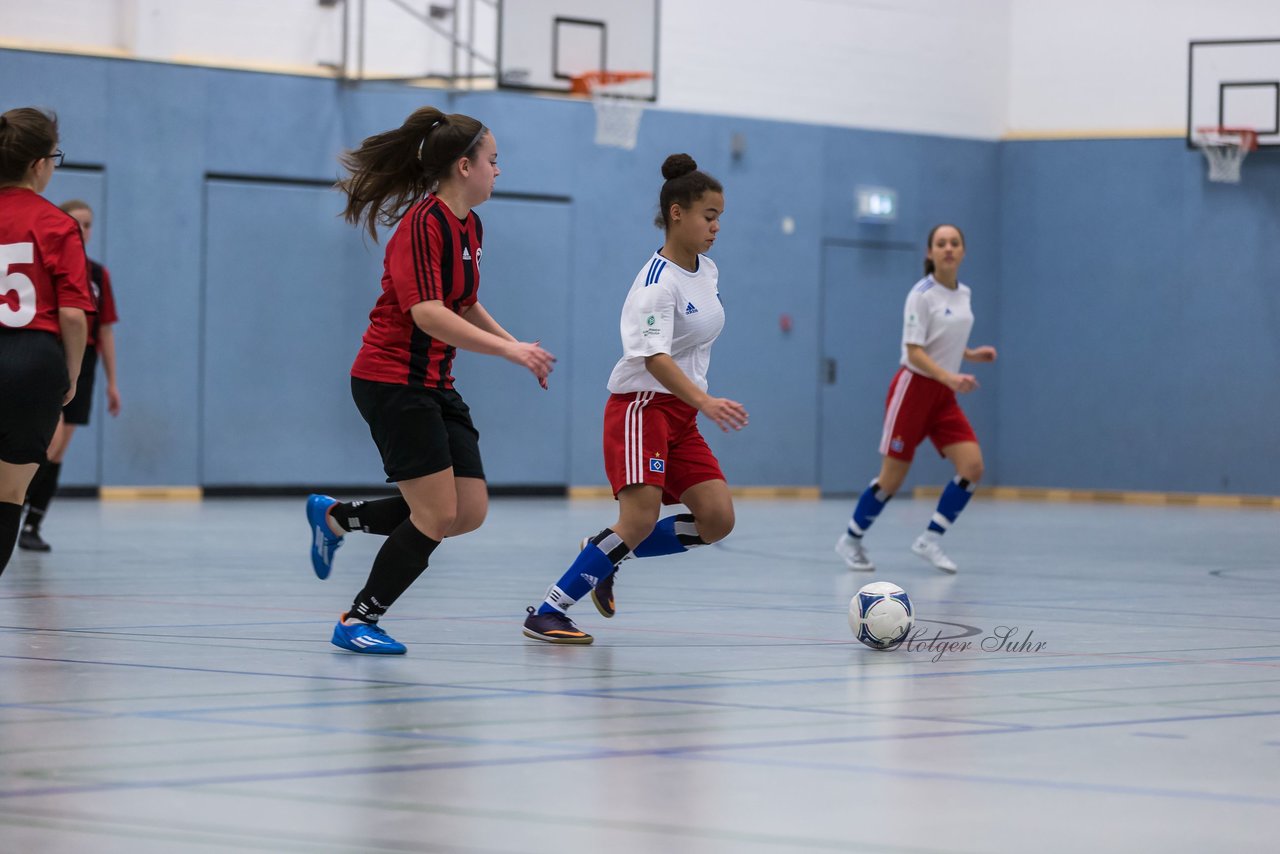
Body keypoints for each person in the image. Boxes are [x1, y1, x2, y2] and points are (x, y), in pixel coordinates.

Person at [305, 106, 555, 655]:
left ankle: (335, 517)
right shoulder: (422, 224)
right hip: (392, 381)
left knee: (467, 510)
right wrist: (508, 352)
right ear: (464, 166)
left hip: (435, 382)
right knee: (436, 514)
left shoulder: (470, 224)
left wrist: (519, 345)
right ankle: (358, 619)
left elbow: (462, 301)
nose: (498, 170)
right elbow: (428, 313)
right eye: (493, 160)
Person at [522, 153, 748, 645]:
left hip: (682, 414)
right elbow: (654, 359)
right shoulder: (655, 285)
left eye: (719, 218)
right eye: (709, 216)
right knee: (639, 519)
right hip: (642, 408)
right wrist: (706, 402)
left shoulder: (706, 271)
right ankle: (548, 610)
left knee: (717, 519)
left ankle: (604, 552)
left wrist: (695, 404)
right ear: (677, 213)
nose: (715, 227)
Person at [835, 223, 996, 575]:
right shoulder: (921, 294)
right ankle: (851, 539)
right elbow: (915, 350)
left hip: (943, 396)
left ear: (963, 251)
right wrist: (951, 376)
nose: (948, 248)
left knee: (972, 467)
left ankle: (930, 539)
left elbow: (944, 341)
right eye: (941, 243)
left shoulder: (964, 294)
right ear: (930, 253)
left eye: (955, 243)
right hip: (913, 390)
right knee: (892, 479)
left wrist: (970, 354)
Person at [0, 107, 93, 578]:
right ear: (39, 163)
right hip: (31, 361)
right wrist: (71, 374)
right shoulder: (56, 224)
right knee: (9, 493)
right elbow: (74, 316)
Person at [19, 199, 121, 552]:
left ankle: (32, 524)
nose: (83, 230)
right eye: (76, 223)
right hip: (54, 354)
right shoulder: (50, 260)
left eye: (89, 224)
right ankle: (14, 507)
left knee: (59, 451)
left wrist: (112, 382)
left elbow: (105, 330)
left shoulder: (98, 274)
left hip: (86, 358)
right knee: (49, 443)